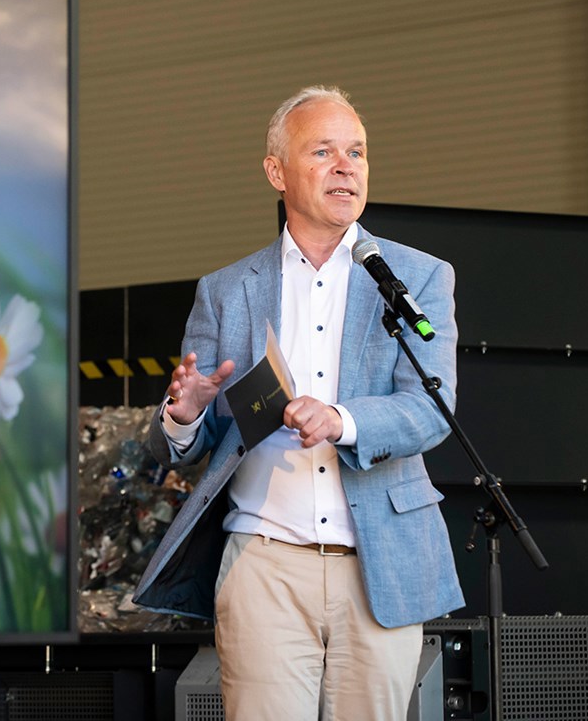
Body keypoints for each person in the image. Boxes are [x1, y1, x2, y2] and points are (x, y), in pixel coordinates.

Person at [132, 86, 464, 720]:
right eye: (323, 150)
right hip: (264, 563)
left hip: (379, 562)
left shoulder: (416, 276)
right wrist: (186, 412)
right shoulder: (226, 291)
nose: (346, 166)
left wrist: (341, 420)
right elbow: (183, 449)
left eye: (357, 151)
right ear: (275, 172)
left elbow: (433, 408)